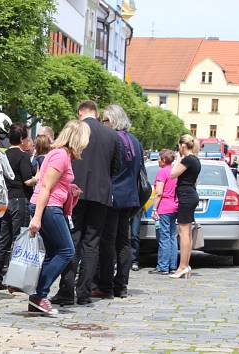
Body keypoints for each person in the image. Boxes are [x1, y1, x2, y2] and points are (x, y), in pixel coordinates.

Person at [51, 100, 121, 306]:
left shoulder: (74, 130)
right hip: (101, 195)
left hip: (74, 193)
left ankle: (66, 290)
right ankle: (84, 292)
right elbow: (117, 167)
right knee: (92, 243)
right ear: (96, 112)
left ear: (80, 112)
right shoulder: (111, 134)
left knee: (72, 240)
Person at [27, 120, 90, 314]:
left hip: (50, 206)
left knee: (54, 253)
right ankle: (39, 294)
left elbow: (51, 183)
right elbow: (45, 186)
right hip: (49, 208)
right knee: (66, 251)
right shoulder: (60, 156)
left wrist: (69, 188)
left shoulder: (59, 154)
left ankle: (37, 298)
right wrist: (37, 218)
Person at [94, 104, 143, 299]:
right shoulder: (134, 141)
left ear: (112, 120)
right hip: (130, 198)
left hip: (112, 196)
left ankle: (105, 285)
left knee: (107, 241)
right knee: (123, 241)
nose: (102, 124)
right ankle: (121, 283)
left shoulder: (112, 139)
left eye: (104, 120)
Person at [0, 123, 37, 290]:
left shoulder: (4, 155)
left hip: (5, 201)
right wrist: (38, 177)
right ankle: (15, 281)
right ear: (23, 140)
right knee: (19, 240)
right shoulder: (23, 156)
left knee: (3, 240)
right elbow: (27, 180)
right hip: (19, 200)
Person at [169, 135, 201, 279]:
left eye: (178, 146)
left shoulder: (187, 159)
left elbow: (172, 174)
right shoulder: (196, 160)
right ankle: (185, 265)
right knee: (186, 232)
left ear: (182, 145)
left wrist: (177, 158)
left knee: (183, 233)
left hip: (186, 196)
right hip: (190, 195)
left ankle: (182, 266)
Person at [149, 149, 179, 275]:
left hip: (164, 207)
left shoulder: (162, 172)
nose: (158, 161)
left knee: (164, 237)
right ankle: (172, 265)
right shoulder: (175, 171)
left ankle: (163, 266)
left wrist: (154, 208)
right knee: (172, 237)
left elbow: (159, 193)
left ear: (164, 160)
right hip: (175, 206)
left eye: (159, 158)